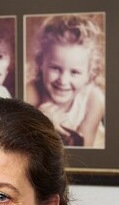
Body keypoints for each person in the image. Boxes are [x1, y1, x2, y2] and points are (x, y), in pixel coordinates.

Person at [25, 15, 106, 148]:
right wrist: (38, 122)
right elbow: (22, 147)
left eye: (75, 72)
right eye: (55, 68)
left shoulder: (94, 101)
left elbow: (83, 150)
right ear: (41, 63)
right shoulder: (31, 92)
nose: (63, 80)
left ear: (89, 74)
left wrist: (49, 128)